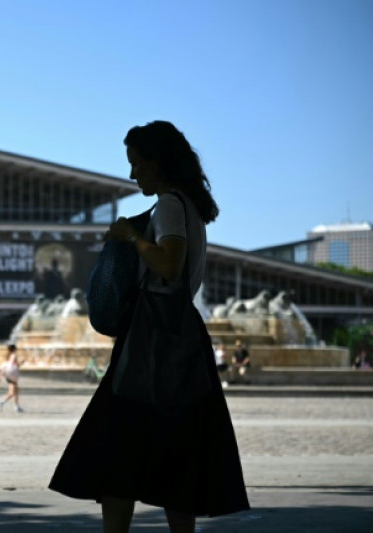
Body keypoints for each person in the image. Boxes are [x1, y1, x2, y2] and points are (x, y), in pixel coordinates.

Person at [49, 121, 249, 533]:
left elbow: (169, 267)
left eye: (137, 163)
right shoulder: (188, 205)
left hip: (151, 342)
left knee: (115, 445)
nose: (132, 174)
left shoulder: (171, 205)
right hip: (179, 335)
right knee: (178, 451)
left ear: (158, 162)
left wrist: (129, 236)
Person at [0, 344, 24, 413]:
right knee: (13, 392)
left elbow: (3, 366)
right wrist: (22, 362)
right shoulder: (14, 355)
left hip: (8, 374)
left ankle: (16, 406)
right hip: (13, 375)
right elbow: (16, 364)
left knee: (15, 391)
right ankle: (2, 402)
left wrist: (0, 377)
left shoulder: (7, 356)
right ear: (14, 349)